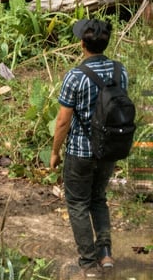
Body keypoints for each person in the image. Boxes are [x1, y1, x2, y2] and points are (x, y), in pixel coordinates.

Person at [50, 19, 128, 275]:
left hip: (80, 153)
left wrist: (54, 151)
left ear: (83, 44)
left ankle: (87, 262)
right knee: (99, 199)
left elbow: (63, 121)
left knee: (78, 203)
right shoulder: (120, 71)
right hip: (109, 150)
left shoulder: (75, 76)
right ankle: (106, 255)